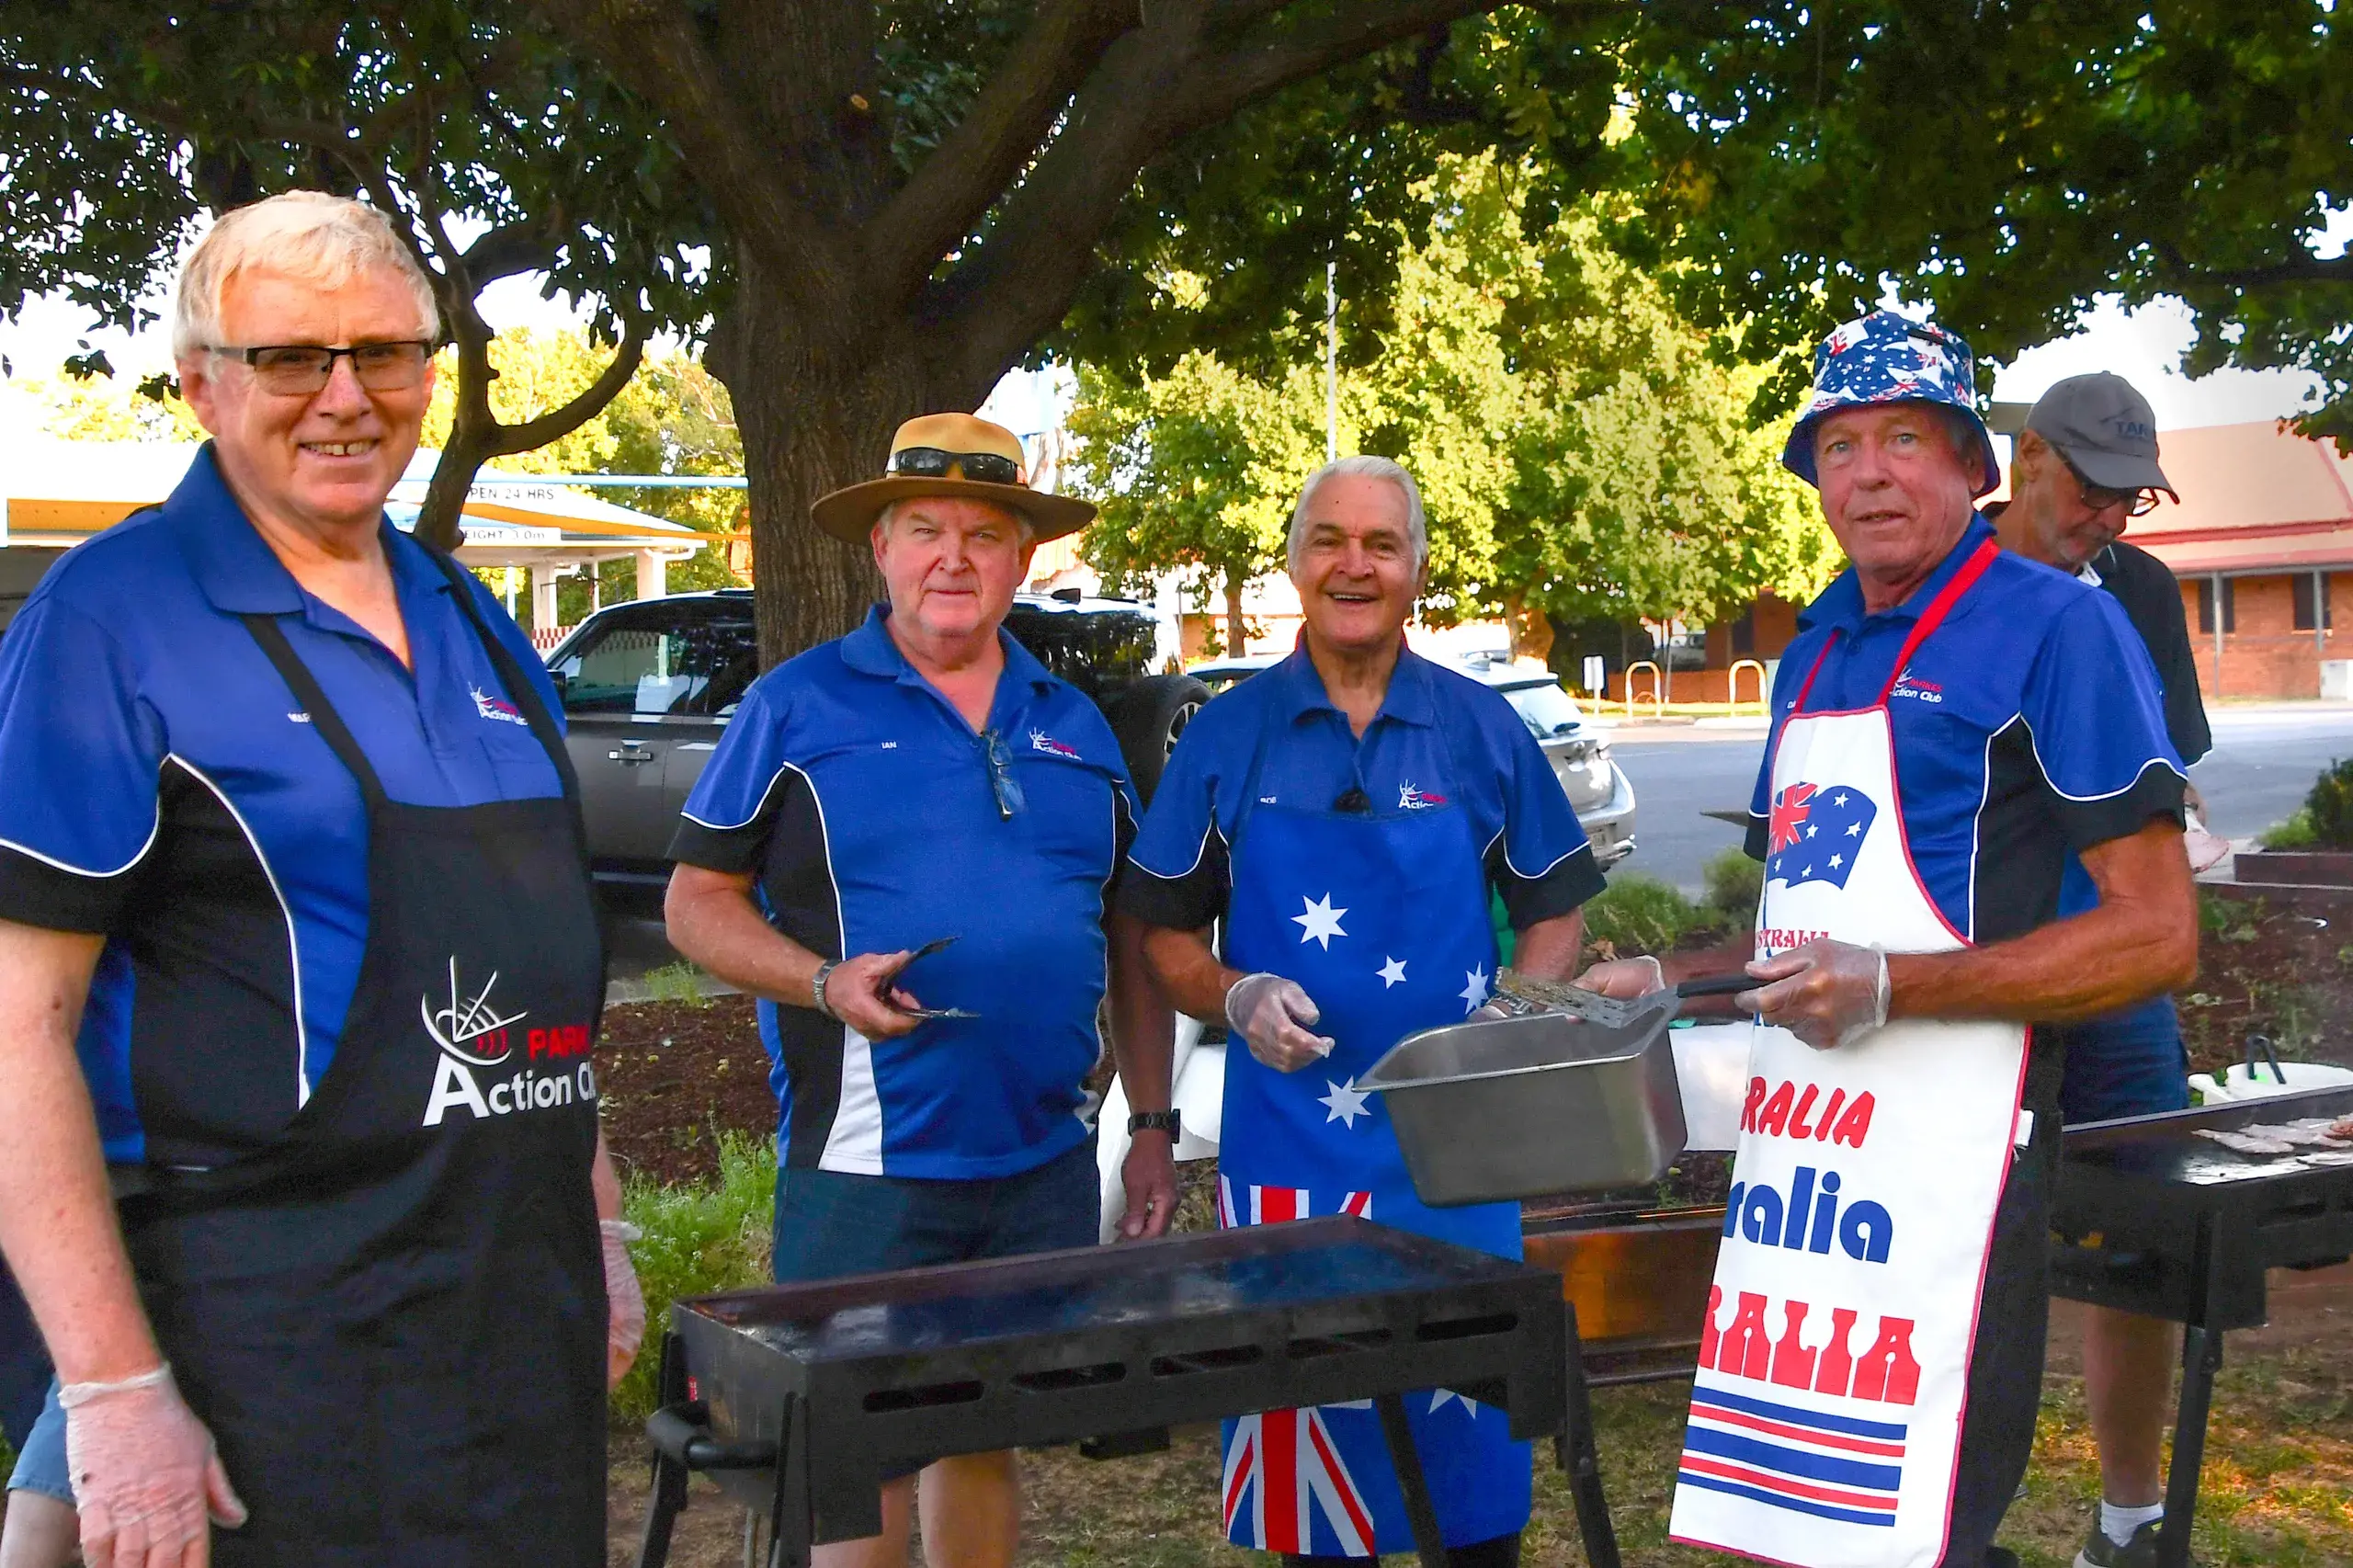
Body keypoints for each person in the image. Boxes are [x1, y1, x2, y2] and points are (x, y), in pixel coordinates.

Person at [0, 190, 642, 1567]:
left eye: (386, 353)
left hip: (512, 1327)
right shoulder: (113, 620)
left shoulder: (472, 616)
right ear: (201, 385)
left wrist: (604, 1224)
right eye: (293, 357)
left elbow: (533, 968)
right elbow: (16, 1026)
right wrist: (114, 1394)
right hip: (265, 1341)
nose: (346, 397)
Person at [1586, 312, 2198, 1568]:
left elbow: (2158, 936)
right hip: (1809, 1164)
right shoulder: (1808, 652)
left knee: (1921, 1521)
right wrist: (1672, 976)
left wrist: (1897, 986)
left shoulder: (2059, 627)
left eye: (1906, 438)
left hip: (1960, 1159)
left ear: (1977, 466)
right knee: (1797, 1514)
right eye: (1841, 445)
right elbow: (1807, 922)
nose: (1869, 471)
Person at [663, 412, 1176, 1568]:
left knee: (981, 1438)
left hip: (1042, 1161)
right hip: (869, 1172)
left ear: (1021, 559)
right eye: (926, 529)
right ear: (881, 549)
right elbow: (695, 904)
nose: (955, 556)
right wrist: (818, 978)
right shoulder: (797, 706)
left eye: (985, 533)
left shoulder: (1075, 721)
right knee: (863, 1458)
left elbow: (1135, 942)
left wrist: (1148, 1123)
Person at [1120, 456, 1607, 1568]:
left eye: (1380, 544)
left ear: (1417, 569)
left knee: (1472, 1480)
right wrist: (1233, 992)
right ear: (1293, 562)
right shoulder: (1223, 734)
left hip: (1457, 1160)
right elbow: (1160, 934)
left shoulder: (1480, 727)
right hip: (1288, 1162)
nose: (1354, 564)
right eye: (1330, 539)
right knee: (1313, 1496)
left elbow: (1555, 908)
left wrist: (1515, 1019)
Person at [1992, 373, 2205, 1568]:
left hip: (2118, 987)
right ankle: (1940, 1519)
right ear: (2027, 459)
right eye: (2093, 488)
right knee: (1970, 1251)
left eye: (2133, 497)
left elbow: (2162, 786)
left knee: (2139, 1247)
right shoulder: (1940, 581)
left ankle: (2129, 1518)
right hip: (1976, 983)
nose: (2112, 518)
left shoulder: (2141, 591)